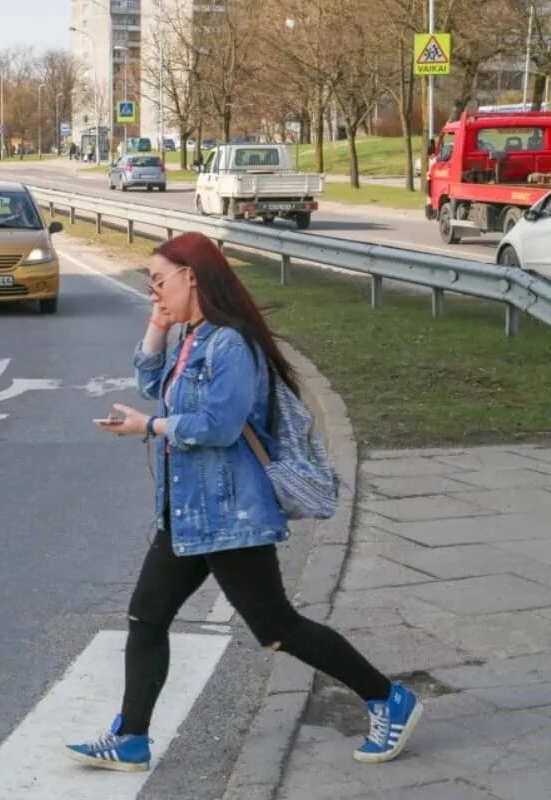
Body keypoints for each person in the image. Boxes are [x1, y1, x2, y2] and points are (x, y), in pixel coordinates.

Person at [65, 232, 422, 772]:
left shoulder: (231, 344)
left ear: (193, 276)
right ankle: (132, 737)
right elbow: (150, 385)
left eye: (160, 281)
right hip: (186, 516)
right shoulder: (193, 335)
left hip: (232, 517)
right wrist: (157, 327)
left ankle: (386, 697)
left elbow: (220, 424)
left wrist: (152, 427)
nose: (154, 291)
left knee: (277, 629)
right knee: (146, 615)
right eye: (150, 284)